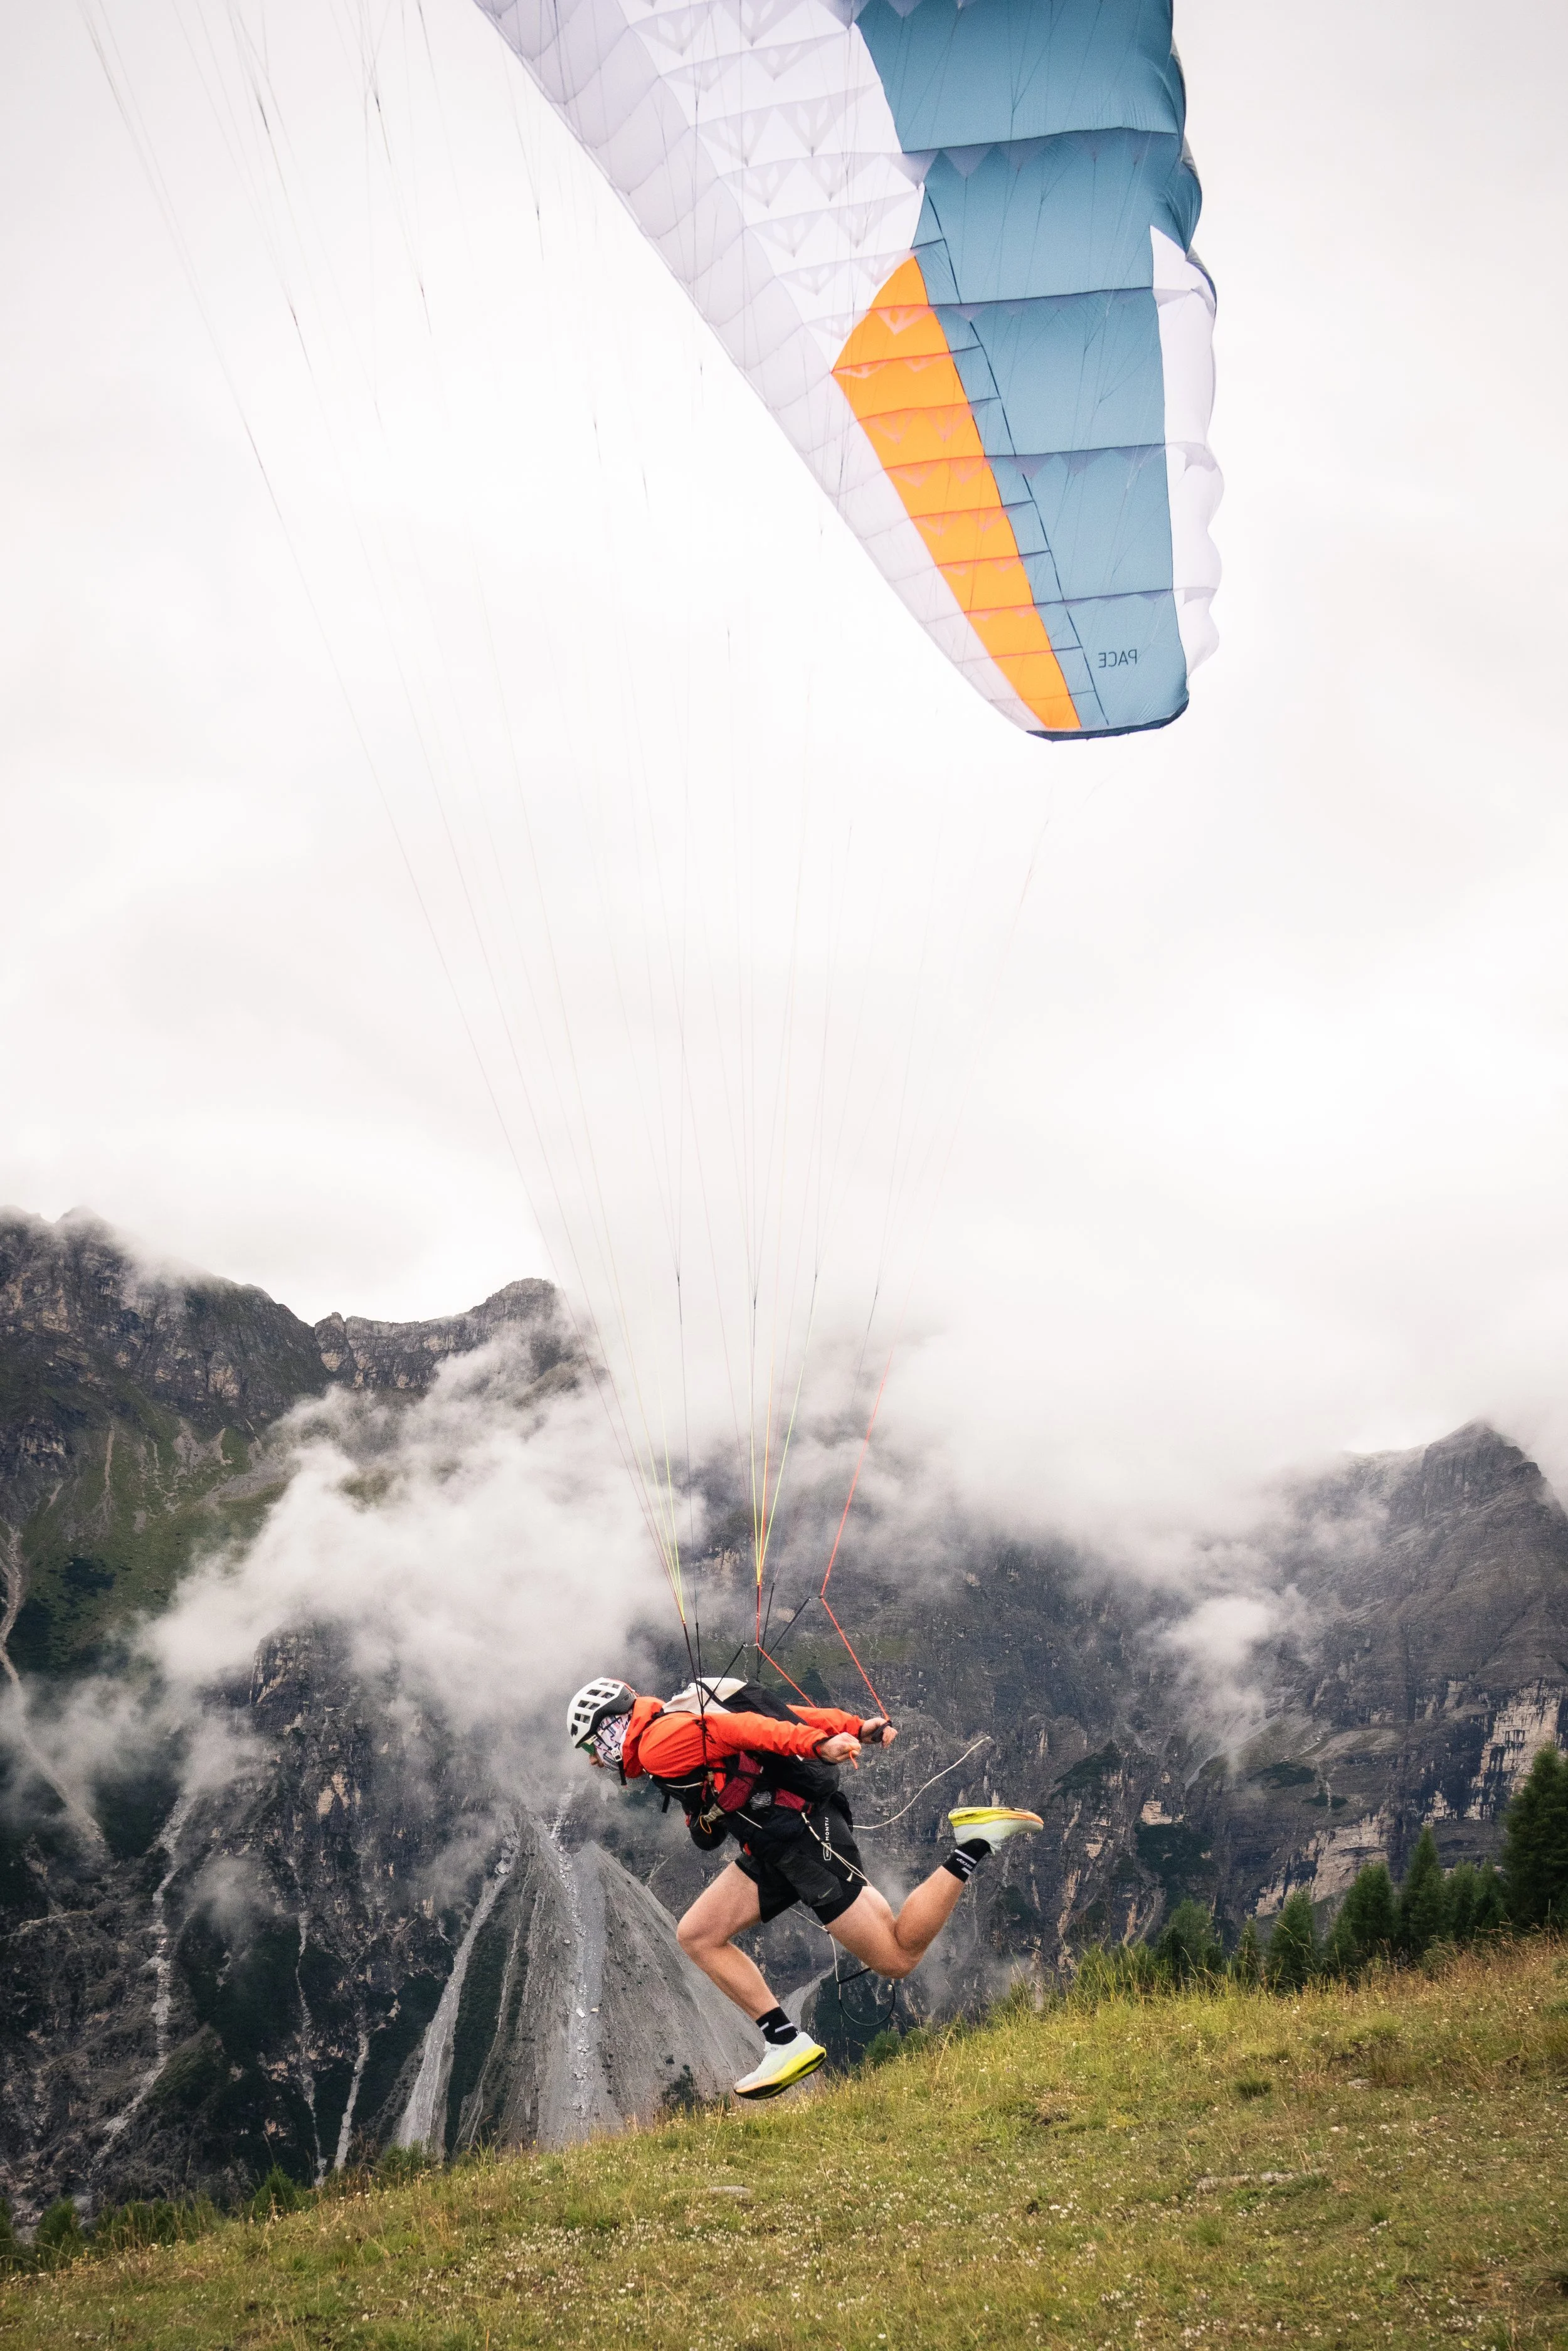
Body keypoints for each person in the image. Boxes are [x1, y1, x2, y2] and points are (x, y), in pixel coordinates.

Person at [566, 1673, 1041, 2099]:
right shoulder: (679, 1711)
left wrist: (816, 1746)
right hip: (773, 1845)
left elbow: (746, 1730)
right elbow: (780, 1714)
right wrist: (853, 1727)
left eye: (591, 1748)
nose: (595, 1761)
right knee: (698, 1934)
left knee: (896, 1957)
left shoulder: (655, 1744)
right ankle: (785, 2041)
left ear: (608, 1727)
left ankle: (974, 1843)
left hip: (802, 1836)